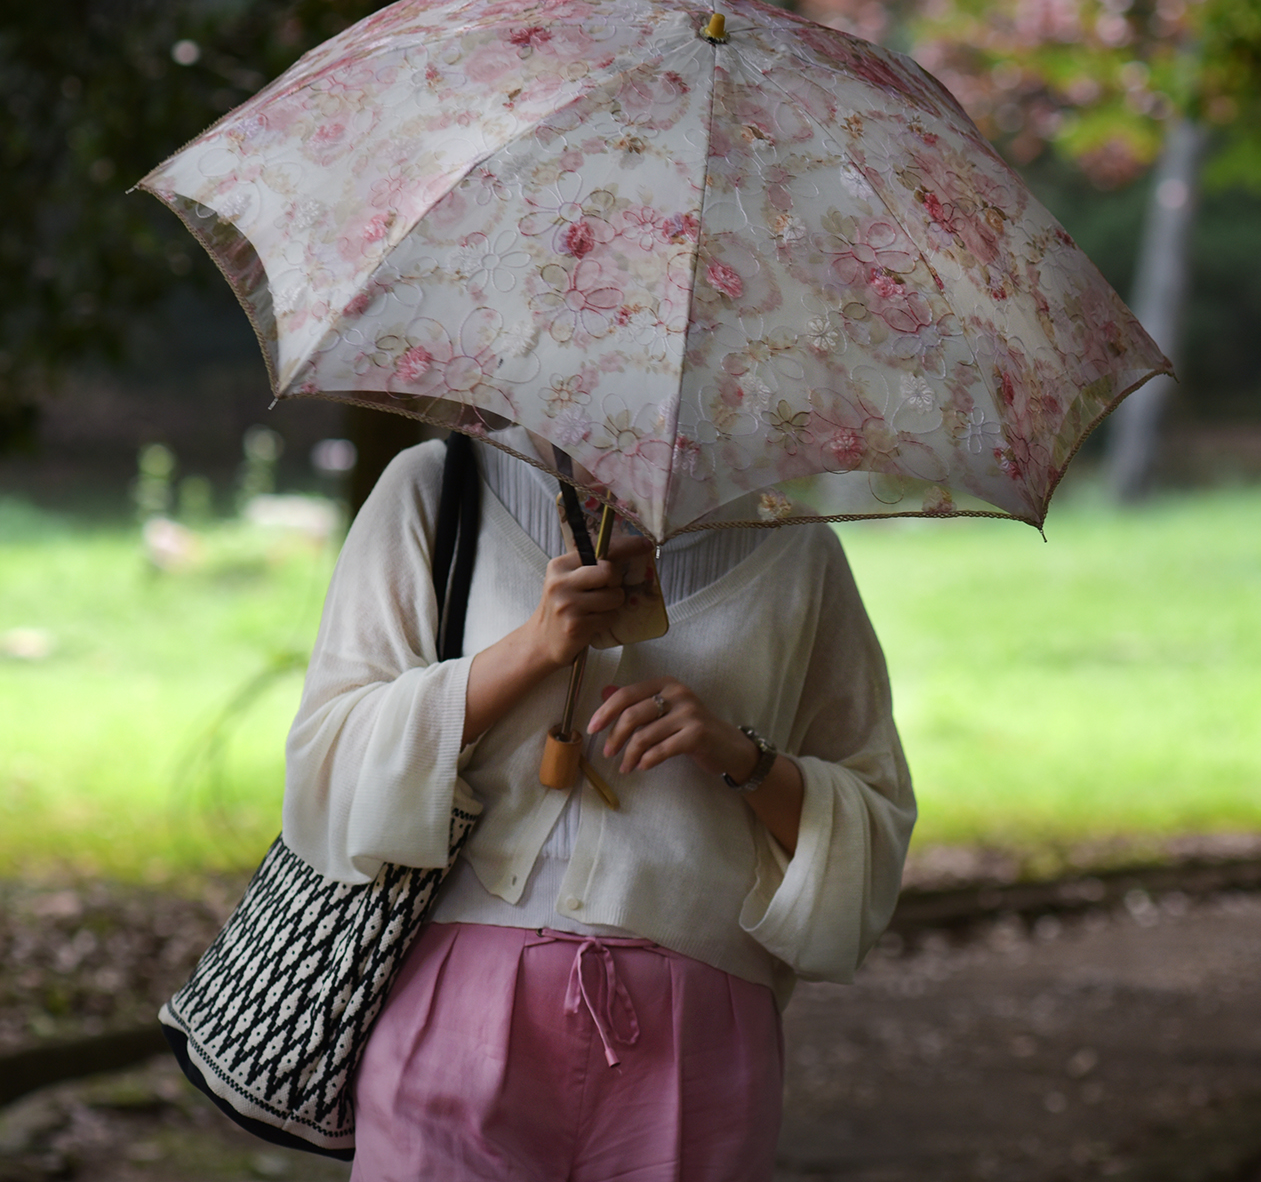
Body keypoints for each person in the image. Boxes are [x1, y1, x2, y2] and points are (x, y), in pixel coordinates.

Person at [281, 430, 916, 1181]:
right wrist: (532, 648)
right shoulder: (436, 489)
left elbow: (873, 822)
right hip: (453, 1007)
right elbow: (324, 768)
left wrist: (738, 756)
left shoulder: (793, 547)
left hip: (695, 1040)